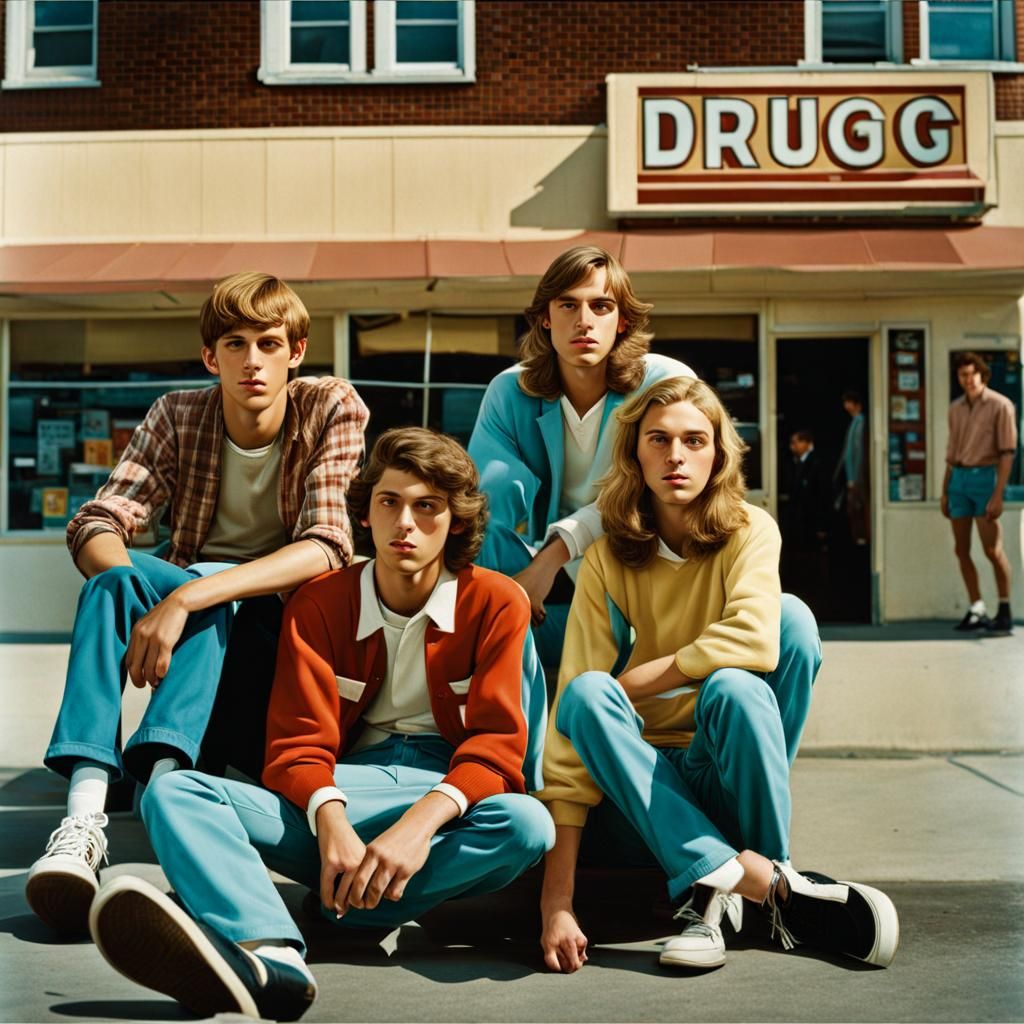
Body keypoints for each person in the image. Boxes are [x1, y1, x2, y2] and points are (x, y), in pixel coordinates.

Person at [87, 427, 554, 1022]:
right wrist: (331, 822)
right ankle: (274, 953)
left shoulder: (496, 601)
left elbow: (497, 748)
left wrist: (416, 828)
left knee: (527, 824)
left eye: (427, 506)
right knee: (174, 791)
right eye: (389, 503)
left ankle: (330, 911)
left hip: (442, 794)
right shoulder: (319, 602)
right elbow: (294, 746)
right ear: (365, 514)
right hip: (342, 793)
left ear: (455, 521)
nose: (405, 523)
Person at [27, 272, 369, 935]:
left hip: (283, 632)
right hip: (200, 626)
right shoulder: (179, 412)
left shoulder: (332, 405)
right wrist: (135, 590)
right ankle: (85, 817)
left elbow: (328, 545)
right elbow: (98, 520)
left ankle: (161, 774)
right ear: (211, 357)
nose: (252, 361)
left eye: (269, 344)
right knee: (108, 583)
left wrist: (188, 595)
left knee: (204, 575)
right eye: (235, 345)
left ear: (297, 352)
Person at [536, 377, 899, 975]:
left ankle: (716, 890)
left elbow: (754, 639)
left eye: (694, 440)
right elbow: (572, 735)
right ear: (635, 454)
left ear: (718, 454)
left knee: (768, 648)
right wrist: (557, 904)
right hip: (642, 784)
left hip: (722, 765)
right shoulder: (605, 559)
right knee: (584, 693)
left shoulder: (750, 530)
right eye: (658, 440)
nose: (676, 456)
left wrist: (631, 684)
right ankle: (766, 885)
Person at [468, 245, 692, 667]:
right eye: (568, 305)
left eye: (601, 305)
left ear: (622, 320)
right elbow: (484, 504)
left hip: (639, 568)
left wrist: (552, 557)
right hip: (547, 583)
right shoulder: (510, 392)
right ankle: (500, 704)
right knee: (483, 536)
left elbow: (652, 495)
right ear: (546, 318)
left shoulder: (665, 383)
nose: (584, 321)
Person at [942, 351, 1017, 635]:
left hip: (986, 478)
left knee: (991, 549)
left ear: (982, 375)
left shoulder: (1001, 405)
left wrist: (998, 494)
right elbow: (951, 454)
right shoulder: (955, 408)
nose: (967, 380)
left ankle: (1005, 608)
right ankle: (977, 609)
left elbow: (1008, 453)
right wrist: (944, 491)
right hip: (958, 479)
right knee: (961, 549)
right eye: (962, 375)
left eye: (972, 374)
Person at [780, 429, 829, 609]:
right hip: (800, 519)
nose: (793, 447)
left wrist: (822, 525)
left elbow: (822, 496)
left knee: (812, 556)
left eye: (796, 442)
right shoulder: (796, 462)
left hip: (812, 519)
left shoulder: (817, 462)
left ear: (807, 442)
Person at [835, 390, 869, 546]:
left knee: (855, 508)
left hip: (855, 477)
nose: (845, 406)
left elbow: (858, 451)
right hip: (851, 476)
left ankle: (861, 539)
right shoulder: (855, 422)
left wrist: (854, 478)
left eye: (848, 402)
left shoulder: (860, 422)